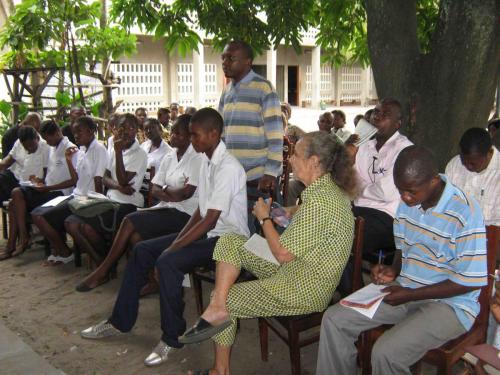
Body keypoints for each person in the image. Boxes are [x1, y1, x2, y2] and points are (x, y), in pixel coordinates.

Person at [80, 108, 249, 368]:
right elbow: (200, 210)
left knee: (168, 261)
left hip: (228, 241)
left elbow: (210, 220)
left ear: (213, 133)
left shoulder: (228, 167)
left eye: (196, 135)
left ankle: (172, 337)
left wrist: (176, 245)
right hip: (211, 232)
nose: (192, 140)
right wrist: (178, 239)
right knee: (142, 250)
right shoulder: (206, 160)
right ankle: (119, 321)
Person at [179, 131, 357, 375]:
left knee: (231, 298)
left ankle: (219, 365)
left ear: (314, 162)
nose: (291, 160)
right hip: (296, 268)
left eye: (295, 154)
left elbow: (283, 253)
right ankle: (218, 305)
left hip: (304, 287)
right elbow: (305, 212)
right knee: (230, 240)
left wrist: (264, 219)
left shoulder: (321, 202)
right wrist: (287, 211)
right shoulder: (323, 190)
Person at [316, 145, 488, 375]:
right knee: (335, 319)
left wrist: (410, 294)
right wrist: (392, 269)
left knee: (386, 352)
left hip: (451, 306)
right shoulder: (408, 204)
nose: (405, 198)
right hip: (407, 288)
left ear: (434, 181)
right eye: (400, 190)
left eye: (411, 192)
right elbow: (403, 247)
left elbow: (469, 282)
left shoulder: (466, 212)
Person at [75, 114, 201, 291]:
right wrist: (166, 192)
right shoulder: (170, 157)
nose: (172, 137)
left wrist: (164, 191)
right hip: (166, 208)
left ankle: (103, 270)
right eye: (172, 132)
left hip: (186, 214)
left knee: (129, 220)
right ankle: (151, 279)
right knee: (135, 237)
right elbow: (154, 187)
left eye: (179, 134)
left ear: (190, 135)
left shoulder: (197, 158)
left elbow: (185, 194)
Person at [64, 113, 147, 265]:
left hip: (127, 203)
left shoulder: (139, 153)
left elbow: (122, 179)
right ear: (117, 129)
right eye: (122, 127)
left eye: (131, 127)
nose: (126, 131)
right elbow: (105, 178)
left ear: (137, 130)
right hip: (109, 199)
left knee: (87, 228)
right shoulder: (116, 147)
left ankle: (105, 264)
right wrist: (119, 187)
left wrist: (118, 153)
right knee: (71, 223)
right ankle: (102, 261)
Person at [218, 40, 283, 227]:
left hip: (259, 176)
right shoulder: (227, 92)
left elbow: (275, 135)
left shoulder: (263, 88)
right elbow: (223, 134)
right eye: (223, 57)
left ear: (248, 62)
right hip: (234, 174)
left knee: (263, 229)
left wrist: (270, 173)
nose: (225, 62)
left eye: (231, 58)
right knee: (240, 226)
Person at [31, 117, 108, 265]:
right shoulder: (81, 150)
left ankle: (69, 253)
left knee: (46, 217)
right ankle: (62, 250)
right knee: (37, 213)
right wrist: (68, 159)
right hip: (76, 195)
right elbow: (76, 179)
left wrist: (99, 208)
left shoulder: (98, 149)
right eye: (74, 132)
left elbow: (99, 180)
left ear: (91, 131)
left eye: (79, 131)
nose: (76, 135)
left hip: (88, 199)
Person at [0, 121, 78, 260]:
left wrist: (48, 187)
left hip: (61, 194)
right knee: (15, 198)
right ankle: (17, 241)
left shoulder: (70, 149)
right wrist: (40, 182)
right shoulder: (54, 147)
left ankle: (25, 239)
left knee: (17, 199)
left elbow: (74, 180)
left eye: (48, 139)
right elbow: (50, 173)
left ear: (57, 133)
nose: (46, 142)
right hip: (48, 189)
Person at [351, 98, 413, 257]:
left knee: (345, 242)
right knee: (325, 229)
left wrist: (361, 189)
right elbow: (351, 181)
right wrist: (363, 188)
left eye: (385, 114)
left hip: (387, 217)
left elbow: (387, 192)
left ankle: (350, 281)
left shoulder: (404, 149)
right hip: (357, 209)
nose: (377, 117)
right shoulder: (364, 145)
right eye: (376, 112)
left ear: (397, 124)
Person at [445, 127, 499, 225]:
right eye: (464, 161)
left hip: (487, 236)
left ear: (489, 153)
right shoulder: (454, 165)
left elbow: (497, 225)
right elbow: (445, 203)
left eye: (473, 163)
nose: (467, 166)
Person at [0, 121, 49, 204]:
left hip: (31, 185)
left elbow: (47, 174)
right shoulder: (19, 142)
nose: (29, 149)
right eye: (26, 147)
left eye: (32, 145)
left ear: (37, 138)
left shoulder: (46, 147)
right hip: (16, 177)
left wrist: (39, 181)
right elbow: (8, 160)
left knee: (17, 192)